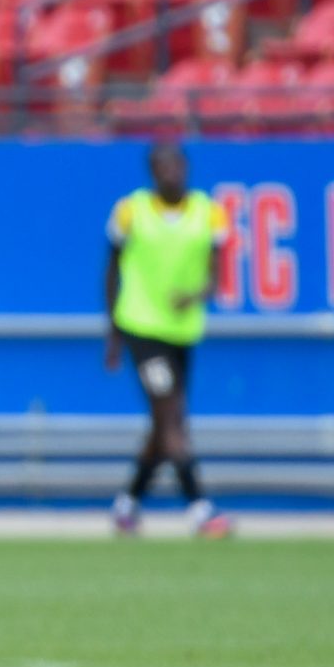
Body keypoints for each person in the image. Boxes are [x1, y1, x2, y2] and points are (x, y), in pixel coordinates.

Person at [104, 139, 232, 539]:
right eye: (163, 165)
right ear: (152, 171)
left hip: (183, 332)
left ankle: (127, 504)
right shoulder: (130, 212)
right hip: (141, 329)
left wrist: (195, 294)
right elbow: (111, 272)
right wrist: (114, 333)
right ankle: (199, 508)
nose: (171, 171)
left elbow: (217, 277)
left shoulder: (209, 214)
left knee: (165, 424)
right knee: (171, 413)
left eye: (177, 164)